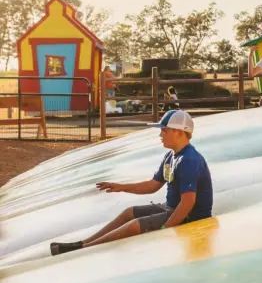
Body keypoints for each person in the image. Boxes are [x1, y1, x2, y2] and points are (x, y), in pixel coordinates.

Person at [50, 110, 213, 256]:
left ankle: (84, 249)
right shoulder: (171, 156)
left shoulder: (189, 160)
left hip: (190, 217)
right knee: (129, 213)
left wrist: (165, 230)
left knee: (134, 226)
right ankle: (83, 243)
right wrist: (121, 187)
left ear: (178, 132)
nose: (160, 135)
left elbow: (188, 202)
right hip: (170, 207)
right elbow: (152, 185)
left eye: (164, 130)